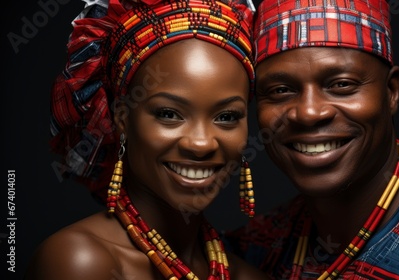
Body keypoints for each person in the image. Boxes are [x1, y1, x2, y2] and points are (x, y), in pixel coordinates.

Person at [225, 0, 399, 279]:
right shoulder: (252, 248)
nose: (308, 113)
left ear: (391, 91)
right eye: (281, 90)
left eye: (341, 84)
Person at [25, 0, 269, 279]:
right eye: (169, 113)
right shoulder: (80, 263)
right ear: (122, 118)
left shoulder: (248, 275)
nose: (201, 143)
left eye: (226, 117)